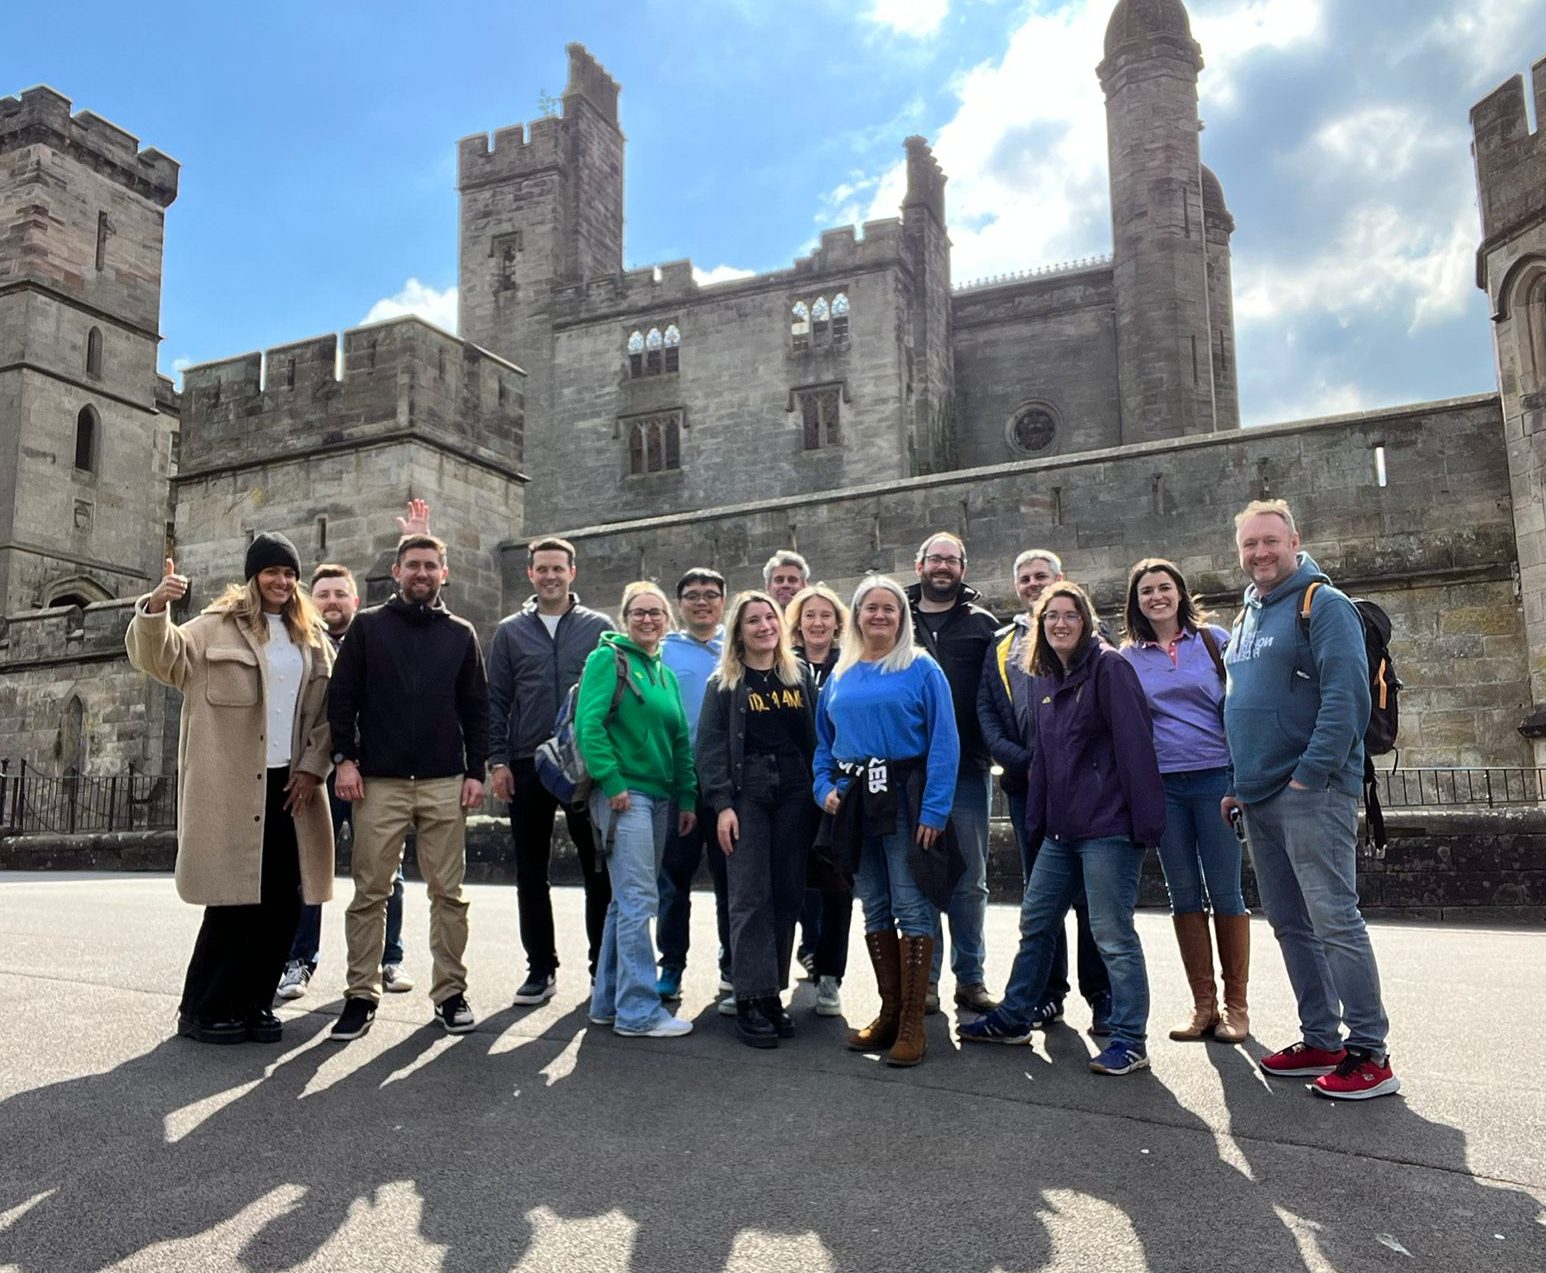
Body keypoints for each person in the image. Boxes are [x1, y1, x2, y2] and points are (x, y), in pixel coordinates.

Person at [1222, 500, 1398, 1099]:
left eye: (1270, 541)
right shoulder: (1247, 614)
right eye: (1250, 544)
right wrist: (1235, 783)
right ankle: (1321, 1036)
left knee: (1333, 920)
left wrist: (1308, 776)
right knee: (1291, 923)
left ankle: (1370, 1051)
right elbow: (1238, 709)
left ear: (1294, 540)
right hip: (1258, 795)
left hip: (1310, 791)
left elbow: (1346, 702)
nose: (1260, 553)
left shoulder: (1323, 606)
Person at [126, 536, 333, 1044]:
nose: (281, 582)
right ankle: (203, 1009)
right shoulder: (214, 627)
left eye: (289, 573)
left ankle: (255, 1003)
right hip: (233, 785)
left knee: (284, 902)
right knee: (232, 900)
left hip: (292, 787)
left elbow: (329, 712)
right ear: (252, 576)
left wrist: (311, 769)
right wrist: (156, 609)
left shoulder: (312, 638)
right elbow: (162, 659)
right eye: (271, 573)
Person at [959, 582, 1165, 1078]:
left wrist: (1147, 826)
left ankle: (1130, 1038)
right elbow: (1047, 762)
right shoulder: (1045, 677)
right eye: (1051, 616)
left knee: (1112, 933)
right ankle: (1015, 1014)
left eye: (1070, 615)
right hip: (1061, 830)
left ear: (1086, 620)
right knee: (1037, 921)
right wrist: (1039, 823)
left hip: (1108, 828)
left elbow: (1138, 747)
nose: (1060, 624)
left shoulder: (1110, 668)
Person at [327, 533, 489, 1041]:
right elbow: (342, 699)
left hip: (444, 782)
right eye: (412, 565)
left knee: (449, 895)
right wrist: (344, 760)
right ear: (396, 572)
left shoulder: (461, 634)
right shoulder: (368, 629)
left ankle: (450, 993)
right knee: (370, 893)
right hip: (379, 782)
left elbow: (477, 709)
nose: (421, 573)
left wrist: (477, 771)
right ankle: (360, 995)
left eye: (431, 566)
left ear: (445, 573)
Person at [813, 575, 959, 1068]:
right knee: (874, 906)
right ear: (856, 616)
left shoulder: (921, 668)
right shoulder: (840, 673)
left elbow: (944, 742)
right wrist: (823, 788)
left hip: (904, 796)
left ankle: (915, 1023)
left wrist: (935, 809)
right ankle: (890, 1012)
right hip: (855, 800)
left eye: (889, 609)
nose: (879, 615)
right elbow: (822, 744)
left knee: (912, 906)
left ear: (902, 617)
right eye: (870, 607)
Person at [976, 549, 1111, 1033]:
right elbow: (988, 712)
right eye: (1026, 578)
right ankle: (1048, 996)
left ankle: (1103, 997)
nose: (1034, 584)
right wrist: (1025, 762)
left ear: (1062, 580)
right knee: (1042, 898)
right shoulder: (1000, 643)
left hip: (1088, 790)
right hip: (1027, 788)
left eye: (1043, 576)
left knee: (1094, 899)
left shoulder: (1094, 638)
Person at [1120, 558, 1249, 1044]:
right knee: (1183, 892)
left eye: (1164, 587)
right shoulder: (1128, 657)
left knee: (1226, 890)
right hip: (1164, 785)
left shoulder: (1214, 640)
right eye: (1146, 590)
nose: (1156, 597)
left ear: (1180, 592)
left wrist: (1241, 777)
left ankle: (1236, 1006)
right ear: (1136, 601)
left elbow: (1241, 705)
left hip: (1216, 777)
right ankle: (1203, 1005)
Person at [276, 563, 412, 1001]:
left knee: (386, 870)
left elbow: (414, 600)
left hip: (374, 774)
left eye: (340, 593)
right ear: (311, 600)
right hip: (318, 776)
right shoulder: (298, 644)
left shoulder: (378, 636)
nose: (332, 601)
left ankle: (389, 959)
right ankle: (299, 960)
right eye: (324, 594)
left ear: (356, 600)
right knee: (310, 868)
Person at [487, 536, 614, 1006]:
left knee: (596, 868)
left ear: (572, 573)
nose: (550, 576)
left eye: (558, 568)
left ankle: (602, 967)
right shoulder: (509, 632)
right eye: (542, 569)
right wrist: (497, 761)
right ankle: (541, 968)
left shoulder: (599, 628)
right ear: (530, 574)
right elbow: (496, 701)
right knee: (530, 870)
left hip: (585, 763)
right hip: (526, 761)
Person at [696, 591, 820, 1047]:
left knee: (787, 894)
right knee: (750, 895)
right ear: (739, 632)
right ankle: (750, 996)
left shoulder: (799, 675)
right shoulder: (724, 684)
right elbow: (708, 748)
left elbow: (815, 738)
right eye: (754, 620)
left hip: (795, 792)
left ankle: (772, 994)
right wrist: (722, 805)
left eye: (770, 617)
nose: (765, 625)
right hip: (746, 792)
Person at [578, 582, 698, 1039]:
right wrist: (612, 782)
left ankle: (607, 1003)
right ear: (625, 618)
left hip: (661, 797)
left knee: (622, 904)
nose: (648, 619)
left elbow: (680, 739)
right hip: (626, 796)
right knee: (639, 902)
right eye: (639, 612)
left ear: (667, 620)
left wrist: (687, 796)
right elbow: (588, 724)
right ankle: (638, 1011)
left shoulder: (663, 674)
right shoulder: (608, 659)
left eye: (656, 613)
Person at [906, 532, 1000, 1014]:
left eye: (952, 560)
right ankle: (924, 982)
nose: (943, 566)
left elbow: (996, 694)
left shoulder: (983, 625)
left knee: (969, 880)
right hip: (909, 773)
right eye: (935, 558)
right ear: (919, 564)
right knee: (920, 876)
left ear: (963, 568)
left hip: (966, 769)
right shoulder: (898, 620)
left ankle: (971, 978)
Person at [654, 569, 732, 1009]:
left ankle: (732, 964)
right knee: (673, 881)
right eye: (692, 596)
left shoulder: (735, 649)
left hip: (724, 785)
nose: (701, 602)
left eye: (710, 595)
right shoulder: (663, 651)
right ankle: (672, 966)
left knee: (730, 881)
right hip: (677, 782)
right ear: (679, 603)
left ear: (723, 601)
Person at [789, 583, 853, 1017]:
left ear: (837, 622)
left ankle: (830, 975)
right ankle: (799, 952)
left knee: (838, 886)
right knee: (789, 881)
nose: (817, 622)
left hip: (834, 788)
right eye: (809, 615)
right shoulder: (782, 666)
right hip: (791, 790)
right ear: (797, 622)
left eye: (825, 615)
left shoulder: (850, 665)